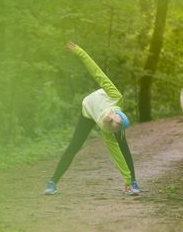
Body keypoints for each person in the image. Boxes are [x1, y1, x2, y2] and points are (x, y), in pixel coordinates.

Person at [44, 42, 140, 195]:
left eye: (118, 128)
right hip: (89, 108)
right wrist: (80, 52)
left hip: (104, 115)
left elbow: (115, 153)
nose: (118, 130)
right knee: (75, 145)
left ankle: (133, 183)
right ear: (118, 117)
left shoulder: (109, 130)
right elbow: (97, 73)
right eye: (118, 125)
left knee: (123, 146)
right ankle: (52, 182)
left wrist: (128, 180)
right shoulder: (116, 97)